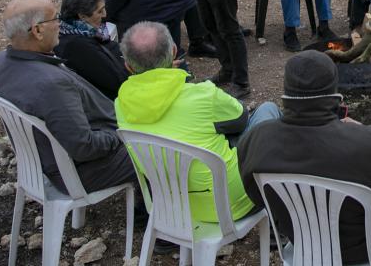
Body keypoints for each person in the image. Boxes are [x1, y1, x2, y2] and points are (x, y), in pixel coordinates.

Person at [237, 51, 371, 263]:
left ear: (286, 95)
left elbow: (258, 196)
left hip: (302, 243)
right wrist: (368, 131)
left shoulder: (257, 139)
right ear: (335, 97)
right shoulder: (369, 144)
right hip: (366, 250)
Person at [114, 22, 279, 223]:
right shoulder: (202, 95)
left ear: (128, 66)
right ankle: (277, 210)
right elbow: (241, 119)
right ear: (174, 51)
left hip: (172, 207)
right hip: (230, 203)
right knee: (267, 110)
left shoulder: (121, 104)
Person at [0, 0, 134, 193]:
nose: (60, 24)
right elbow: (84, 147)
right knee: (165, 151)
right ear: (38, 30)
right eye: (55, 19)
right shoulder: (51, 83)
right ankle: (163, 213)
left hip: (46, 159)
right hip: (76, 172)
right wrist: (119, 136)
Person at [55, 0, 129, 100]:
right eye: (99, 11)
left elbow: (112, 46)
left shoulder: (81, 30)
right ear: (82, 16)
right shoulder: (78, 47)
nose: (105, 14)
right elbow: (118, 82)